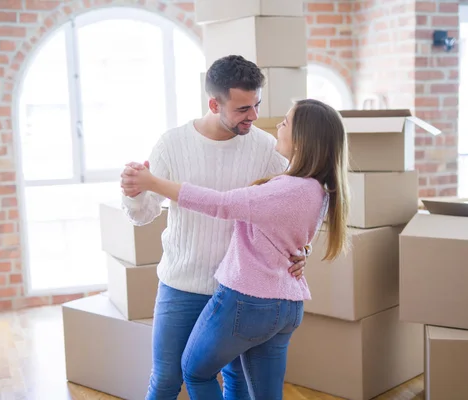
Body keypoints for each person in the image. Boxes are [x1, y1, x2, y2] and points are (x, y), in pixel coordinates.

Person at [121, 98, 350, 400]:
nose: (273, 124)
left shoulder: (286, 184)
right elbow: (288, 229)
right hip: (287, 304)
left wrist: (152, 182)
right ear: (215, 104)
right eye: (245, 107)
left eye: (285, 122)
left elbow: (222, 204)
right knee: (264, 393)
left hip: (249, 300)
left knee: (194, 370)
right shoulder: (317, 187)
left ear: (303, 138)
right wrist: (300, 250)